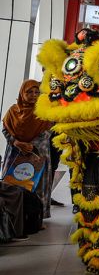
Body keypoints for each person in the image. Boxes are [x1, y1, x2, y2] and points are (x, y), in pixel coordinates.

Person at [2, 80, 54, 220]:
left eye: (37, 92)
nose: (33, 95)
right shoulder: (13, 110)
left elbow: (48, 131)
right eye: (29, 92)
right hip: (15, 153)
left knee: (36, 185)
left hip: (37, 154)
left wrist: (31, 145)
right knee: (13, 183)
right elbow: (5, 129)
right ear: (22, 93)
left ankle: (36, 218)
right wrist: (17, 142)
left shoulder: (44, 110)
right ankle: (12, 217)